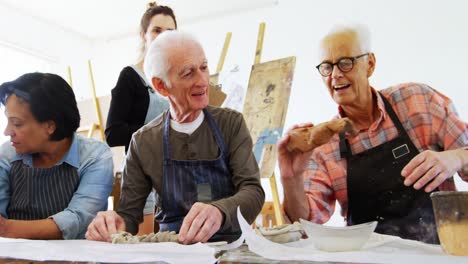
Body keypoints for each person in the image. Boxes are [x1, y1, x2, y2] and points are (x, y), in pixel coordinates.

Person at [278, 24, 468, 244]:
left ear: (369, 64)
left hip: (436, 253)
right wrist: (290, 178)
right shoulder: (324, 146)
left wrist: (456, 157)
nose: (336, 75)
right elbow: (305, 224)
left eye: (345, 63)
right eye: (327, 67)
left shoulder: (418, 101)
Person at [85, 31, 265, 244]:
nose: (202, 81)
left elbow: (253, 191)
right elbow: (129, 216)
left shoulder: (231, 124)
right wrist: (111, 225)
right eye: (188, 73)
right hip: (172, 250)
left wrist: (220, 212)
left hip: (231, 246)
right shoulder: (143, 142)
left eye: (204, 68)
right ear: (161, 86)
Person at [0, 72, 114, 239]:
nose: (7, 132)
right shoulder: (7, 155)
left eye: (17, 123)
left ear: (50, 126)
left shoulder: (94, 157)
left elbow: (78, 219)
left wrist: (6, 229)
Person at [105, 3, 176, 234]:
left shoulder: (178, 79)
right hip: (141, 173)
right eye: (157, 30)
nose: (163, 37)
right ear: (143, 35)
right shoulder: (131, 77)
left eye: (170, 32)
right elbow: (113, 132)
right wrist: (157, 130)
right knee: (143, 247)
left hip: (175, 173)